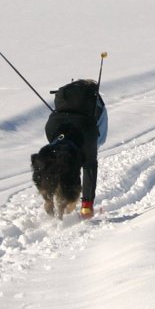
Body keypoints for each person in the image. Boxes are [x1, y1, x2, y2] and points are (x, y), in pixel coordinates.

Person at [44, 79, 108, 218]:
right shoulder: (96, 100)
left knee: (62, 160)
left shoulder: (64, 97)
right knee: (88, 164)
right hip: (84, 129)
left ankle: (53, 198)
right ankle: (86, 208)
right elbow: (101, 136)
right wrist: (89, 150)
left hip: (54, 125)